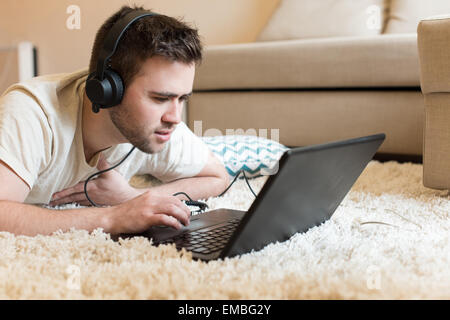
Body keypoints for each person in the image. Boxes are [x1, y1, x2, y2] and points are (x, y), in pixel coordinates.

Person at [0, 6, 229, 236]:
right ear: (108, 89)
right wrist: (113, 216)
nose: (175, 117)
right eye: (160, 98)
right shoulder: (33, 112)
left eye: (182, 99)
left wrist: (131, 197)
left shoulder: (159, 125)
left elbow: (218, 177)